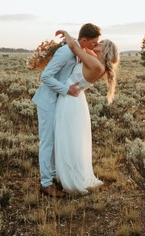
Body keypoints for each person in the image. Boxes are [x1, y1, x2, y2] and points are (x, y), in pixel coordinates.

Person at [32, 23, 102, 197]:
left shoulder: (78, 52)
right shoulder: (65, 52)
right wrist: (66, 90)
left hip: (60, 103)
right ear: (84, 40)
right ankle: (45, 184)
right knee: (48, 141)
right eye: (93, 43)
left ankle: (54, 175)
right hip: (48, 101)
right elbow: (45, 77)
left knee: (57, 140)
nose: (94, 47)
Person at [53, 29, 119, 195]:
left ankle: (70, 179)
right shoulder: (98, 62)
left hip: (70, 100)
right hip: (74, 99)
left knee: (68, 139)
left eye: (100, 43)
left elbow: (76, 49)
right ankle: (66, 174)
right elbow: (83, 48)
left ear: (105, 50)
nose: (97, 44)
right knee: (70, 138)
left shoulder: (96, 65)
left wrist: (68, 35)